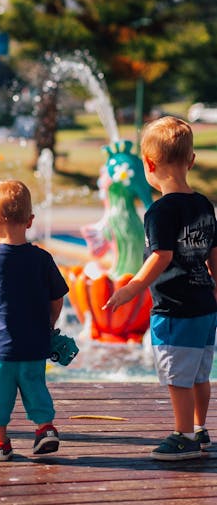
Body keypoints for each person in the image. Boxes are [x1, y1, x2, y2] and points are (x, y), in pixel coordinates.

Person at [104, 116, 217, 461]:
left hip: (174, 309)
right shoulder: (203, 205)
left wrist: (132, 287)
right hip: (205, 305)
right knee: (199, 374)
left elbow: (162, 256)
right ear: (191, 161)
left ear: (149, 166)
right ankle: (199, 430)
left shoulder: (159, 211)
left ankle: (182, 436)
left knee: (177, 376)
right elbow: (214, 253)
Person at [0, 180, 69, 461]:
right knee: (35, 388)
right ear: (30, 221)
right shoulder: (42, 258)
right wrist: (49, 322)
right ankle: (45, 428)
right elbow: (58, 296)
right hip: (34, 347)